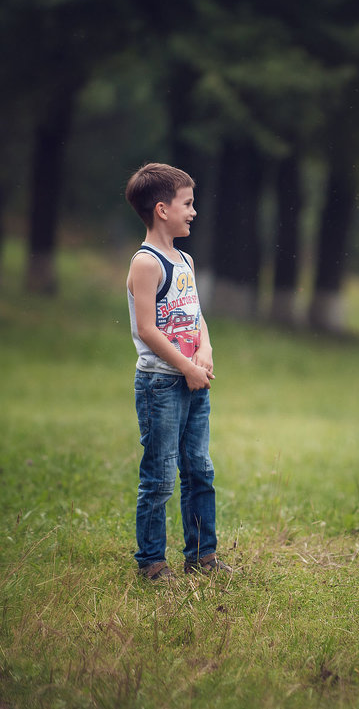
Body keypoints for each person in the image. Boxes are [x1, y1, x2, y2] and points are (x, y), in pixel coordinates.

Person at [125, 162, 231, 582]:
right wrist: (186, 366)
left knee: (199, 469)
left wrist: (204, 350)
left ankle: (202, 556)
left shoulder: (184, 258)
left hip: (193, 380)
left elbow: (196, 315)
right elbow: (148, 329)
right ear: (162, 209)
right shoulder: (146, 263)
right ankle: (151, 562)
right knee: (160, 475)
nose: (194, 211)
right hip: (161, 385)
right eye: (187, 203)